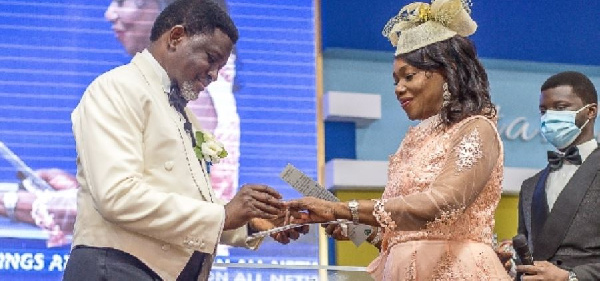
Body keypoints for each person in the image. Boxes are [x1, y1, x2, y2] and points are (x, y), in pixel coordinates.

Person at [62, 1, 302, 280]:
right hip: (115, 269)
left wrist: (252, 224)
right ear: (176, 37)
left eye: (220, 66)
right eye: (211, 59)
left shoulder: (184, 114)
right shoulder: (117, 88)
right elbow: (117, 196)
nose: (213, 75)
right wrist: (223, 215)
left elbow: (186, 202)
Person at [288, 0, 511, 280]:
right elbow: (407, 233)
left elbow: (442, 205)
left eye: (408, 76)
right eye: (395, 80)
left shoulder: (477, 129)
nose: (399, 88)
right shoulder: (413, 140)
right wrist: (351, 224)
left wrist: (343, 208)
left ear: (448, 71)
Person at [105, 0, 240, 202]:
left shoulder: (193, 96)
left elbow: (160, 207)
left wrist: (43, 203)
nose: (110, 13)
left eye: (124, 1)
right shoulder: (177, 88)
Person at [514, 71, 600, 281]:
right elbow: (528, 255)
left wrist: (570, 277)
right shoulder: (529, 186)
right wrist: (510, 265)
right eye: (544, 110)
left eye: (561, 107)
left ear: (590, 111)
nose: (549, 116)